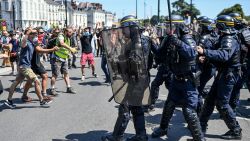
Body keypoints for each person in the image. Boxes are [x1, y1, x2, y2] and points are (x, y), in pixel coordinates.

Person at [151, 15, 205, 141]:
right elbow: (159, 54)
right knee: (169, 104)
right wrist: (153, 44)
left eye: (170, 26)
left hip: (188, 82)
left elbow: (192, 54)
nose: (168, 29)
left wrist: (178, 43)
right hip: (176, 79)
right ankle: (163, 128)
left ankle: (199, 138)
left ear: (178, 26)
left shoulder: (187, 39)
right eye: (167, 26)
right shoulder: (169, 38)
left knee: (189, 111)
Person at [101, 15, 152, 141]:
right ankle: (141, 135)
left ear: (132, 28)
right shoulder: (140, 40)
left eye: (124, 28)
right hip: (139, 80)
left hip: (136, 80)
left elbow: (134, 64)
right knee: (136, 108)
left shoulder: (138, 42)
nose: (122, 31)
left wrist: (118, 63)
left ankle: (117, 136)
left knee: (125, 108)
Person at [197, 15, 242, 140]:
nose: (215, 28)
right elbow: (217, 52)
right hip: (224, 73)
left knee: (222, 104)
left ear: (222, 25)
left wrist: (204, 52)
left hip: (228, 74)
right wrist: (206, 56)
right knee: (210, 100)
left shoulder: (229, 39)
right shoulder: (226, 37)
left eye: (217, 25)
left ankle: (236, 130)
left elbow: (224, 55)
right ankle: (200, 126)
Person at [4, 28, 51, 108]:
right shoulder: (25, 42)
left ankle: (9, 100)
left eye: (35, 33)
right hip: (24, 66)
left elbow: (38, 47)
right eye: (33, 33)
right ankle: (42, 101)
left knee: (16, 82)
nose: (35, 34)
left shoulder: (32, 42)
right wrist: (27, 33)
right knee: (36, 81)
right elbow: (23, 42)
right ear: (28, 34)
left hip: (24, 66)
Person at [20, 28, 58, 102]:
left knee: (30, 81)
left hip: (35, 61)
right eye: (38, 32)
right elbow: (38, 49)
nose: (40, 34)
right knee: (44, 76)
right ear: (30, 34)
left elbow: (39, 49)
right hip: (33, 62)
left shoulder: (36, 39)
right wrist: (51, 50)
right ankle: (43, 95)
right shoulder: (32, 39)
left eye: (41, 32)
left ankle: (24, 95)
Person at [49, 27, 77, 95]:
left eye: (72, 33)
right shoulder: (61, 36)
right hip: (57, 58)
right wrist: (70, 48)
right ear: (66, 31)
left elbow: (65, 48)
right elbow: (61, 43)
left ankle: (68, 87)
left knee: (66, 73)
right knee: (55, 74)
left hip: (64, 58)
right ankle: (52, 89)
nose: (71, 34)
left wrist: (71, 51)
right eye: (70, 32)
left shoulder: (68, 38)